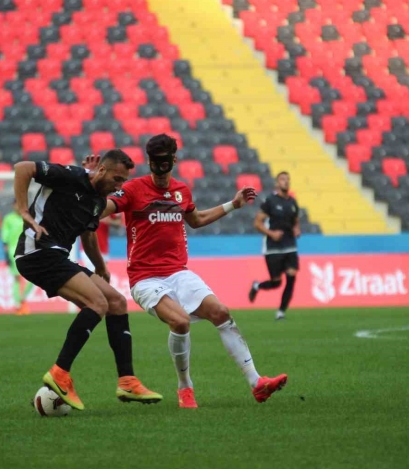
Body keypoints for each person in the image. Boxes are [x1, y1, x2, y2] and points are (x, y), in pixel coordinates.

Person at [92, 134, 288, 409]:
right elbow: (104, 209)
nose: (160, 169)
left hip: (179, 272)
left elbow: (196, 220)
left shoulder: (182, 190)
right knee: (181, 321)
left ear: (173, 160)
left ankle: (257, 383)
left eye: (164, 162)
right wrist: (91, 188)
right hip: (145, 278)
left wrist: (233, 204)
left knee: (221, 312)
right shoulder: (134, 189)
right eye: (155, 163)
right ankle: (185, 388)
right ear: (150, 163)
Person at [13, 149, 162, 411]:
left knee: (116, 301)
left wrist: (100, 266)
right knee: (97, 303)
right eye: (117, 179)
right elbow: (23, 168)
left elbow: (88, 236)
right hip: (37, 252)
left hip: (57, 256)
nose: (120, 186)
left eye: (123, 181)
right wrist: (23, 210)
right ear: (102, 170)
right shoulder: (70, 175)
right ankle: (60, 373)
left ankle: (127, 380)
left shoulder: (97, 201)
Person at [248, 171, 301, 320]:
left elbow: (296, 220)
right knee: (276, 282)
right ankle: (257, 286)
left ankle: (281, 312)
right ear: (277, 183)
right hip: (273, 247)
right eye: (283, 179)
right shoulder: (270, 201)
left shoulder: (292, 202)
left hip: (290, 245)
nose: (286, 182)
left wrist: (297, 229)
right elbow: (257, 223)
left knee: (291, 276)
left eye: (288, 179)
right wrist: (271, 234)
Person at [1, 202, 34, 315]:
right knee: (17, 278)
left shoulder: (28, 217)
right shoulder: (8, 219)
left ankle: (22, 299)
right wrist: (6, 255)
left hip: (28, 250)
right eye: (16, 205)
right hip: (13, 251)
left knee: (33, 278)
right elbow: (4, 238)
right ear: (13, 206)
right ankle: (18, 305)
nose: (17, 207)